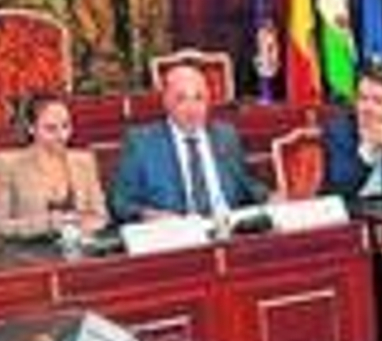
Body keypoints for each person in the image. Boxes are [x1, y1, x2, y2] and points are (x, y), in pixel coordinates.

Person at [110, 63, 267, 222]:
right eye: (181, 99)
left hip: (228, 229)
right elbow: (120, 203)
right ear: (166, 101)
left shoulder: (226, 136)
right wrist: (149, 215)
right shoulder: (142, 142)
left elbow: (248, 188)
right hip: (177, 236)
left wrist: (274, 201)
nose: (192, 108)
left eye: (199, 98)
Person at [0, 94, 108, 239]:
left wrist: (90, 224)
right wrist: (47, 225)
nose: (62, 136)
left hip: (79, 250)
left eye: (66, 126)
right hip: (26, 253)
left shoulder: (84, 161)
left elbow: (101, 215)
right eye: (51, 129)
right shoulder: (7, 164)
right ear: (31, 128)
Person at [321, 62, 382, 201]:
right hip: (352, 213)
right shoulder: (339, 130)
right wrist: (368, 150)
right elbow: (340, 187)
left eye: (377, 101)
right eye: (363, 99)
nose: (368, 108)